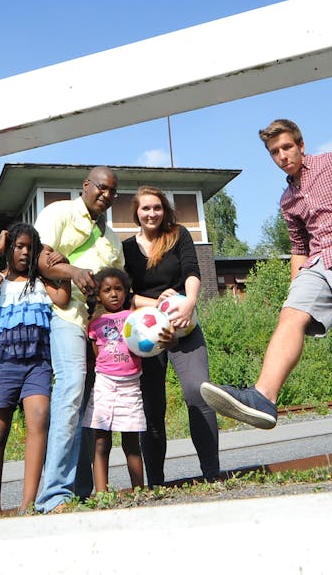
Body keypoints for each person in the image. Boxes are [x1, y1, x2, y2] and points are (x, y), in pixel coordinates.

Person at [200, 118, 332, 460]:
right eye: (274, 152)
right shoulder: (288, 200)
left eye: (287, 147)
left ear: (301, 145)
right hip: (318, 262)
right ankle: (263, 397)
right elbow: (299, 248)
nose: (282, 155)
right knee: (289, 316)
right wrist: (296, 289)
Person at [32, 166, 124, 513]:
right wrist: (71, 271)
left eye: (112, 191)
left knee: (92, 404)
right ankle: (53, 494)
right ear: (86, 186)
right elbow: (39, 259)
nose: (106, 195)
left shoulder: (112, 240)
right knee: (71, 390)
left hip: (98, 326)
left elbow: (119, 282)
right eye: (101, 187)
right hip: (65, 316)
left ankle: (80, 488)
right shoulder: (59, 212)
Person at [0, 223, 70, 515]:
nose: (25, 252)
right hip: (3, 364)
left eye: (30, 247)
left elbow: (63, 298)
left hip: (37, 364)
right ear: (9, 249)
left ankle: (28, 504)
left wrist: (61, 261)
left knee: (39, 420)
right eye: (19, 246)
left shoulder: (41, 283)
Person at [122, 186, 220, 484]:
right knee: (152, 407)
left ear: (164, 210)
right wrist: (157, 304)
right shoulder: (125, 248)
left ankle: (212, 473)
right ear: (136, 213)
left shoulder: (178, 234)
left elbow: (192, 270)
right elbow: (125, 295)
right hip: (146, 334)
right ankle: (156, 483)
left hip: (183, 325)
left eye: (157, 207)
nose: (152, 213)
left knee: (198, 391)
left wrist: (189, 301)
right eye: (145, 208)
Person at [82, 268, 147, 492]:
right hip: (104, 386)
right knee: (101, 441)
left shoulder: (134, 318)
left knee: (131, 442)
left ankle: (139, 491)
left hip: (131, 386)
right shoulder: (95, 324)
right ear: (98, 295)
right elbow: (97, 356)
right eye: (107, 290)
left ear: (126, 291)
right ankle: (102, 494)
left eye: (118, 289)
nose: (113, 294)